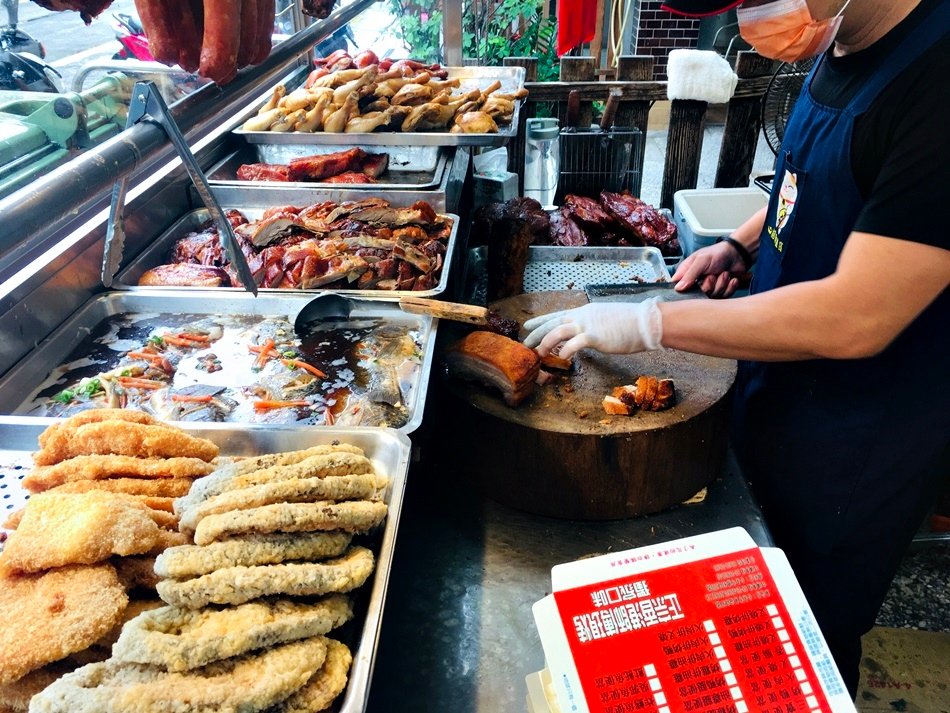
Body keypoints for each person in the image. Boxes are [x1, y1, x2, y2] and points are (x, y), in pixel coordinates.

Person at [523, 0, 949, 698]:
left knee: (807, 633)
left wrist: (653, 324)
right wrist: (739, 243)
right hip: (775, 392)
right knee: (743, 613)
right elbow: (806, 180)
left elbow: (858, 317)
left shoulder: (935, 78)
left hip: (858, 445)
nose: (754, 9)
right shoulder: (841, 39)